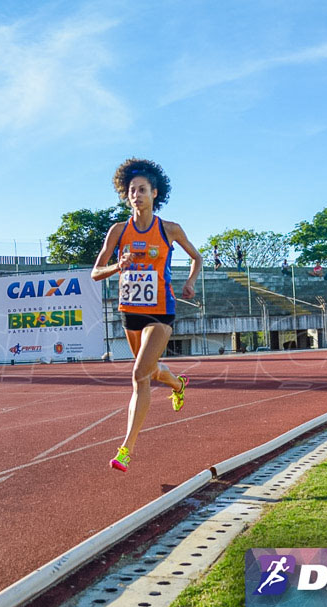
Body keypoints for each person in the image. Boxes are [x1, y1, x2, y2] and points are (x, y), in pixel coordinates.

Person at [91, 158, 203, 473]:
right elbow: (96, 272)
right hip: (131, 312)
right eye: (131, 191)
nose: (136, 195)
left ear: (155, 193)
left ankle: (125, 449)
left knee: (139, 374)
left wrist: (190, 282)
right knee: (151, 371)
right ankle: (178, 384)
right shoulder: (118, 231)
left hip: (161, 311)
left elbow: (197, 257)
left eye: (142, 190)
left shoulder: (169, 229)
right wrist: (118, 265)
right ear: (125, 195)